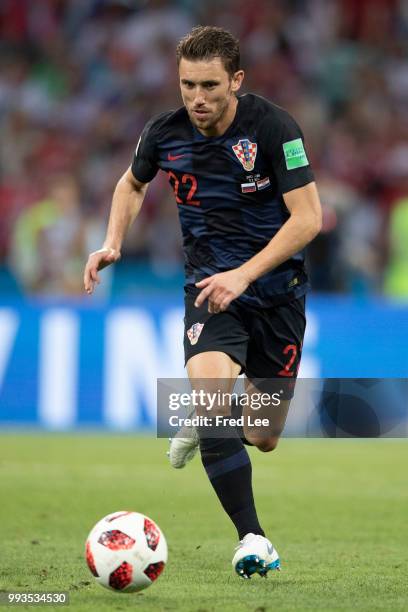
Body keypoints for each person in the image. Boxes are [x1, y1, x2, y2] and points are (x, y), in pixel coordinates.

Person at [84, 26, 322, 579]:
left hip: (277, 293)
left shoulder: (274, 128)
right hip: (211, 293)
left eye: (210, 84)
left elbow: (308, 218)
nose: (197, 97)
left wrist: (244, 274)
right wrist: (112, 241)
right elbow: (131, 184)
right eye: (188, 84)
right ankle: (252, 538)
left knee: (263, 435)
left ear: (235, 80)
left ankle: (208, 423)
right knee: (213, 398)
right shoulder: (163, 133)